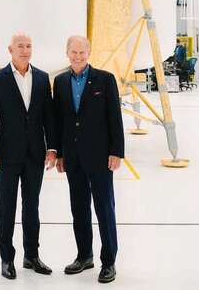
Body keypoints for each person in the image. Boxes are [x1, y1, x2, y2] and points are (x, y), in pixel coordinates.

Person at [0, 33, 57, 280]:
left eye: (28, 46)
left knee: (32, 207)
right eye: (20, 46)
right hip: (6, 156)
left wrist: (52, 148)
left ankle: (31, 256)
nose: (25, 50)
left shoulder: (43, 78)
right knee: (6, 208)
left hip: (35, 154)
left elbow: (49, 118)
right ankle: (6, 258)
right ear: (10, 49)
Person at [54, 36, 124, 284]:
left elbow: (115, 117)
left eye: (82, 52)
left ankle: (109, 262)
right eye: (74, 52)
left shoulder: (105, 80)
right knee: (79, 208)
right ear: (67, 52)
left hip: (100, 157)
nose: (78, 57)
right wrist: (60, 154)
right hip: (73, 158)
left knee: (104, 208)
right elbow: (60, 122)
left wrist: (117, 151)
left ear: (89, 52)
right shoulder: (60, 82)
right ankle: (84, 256)